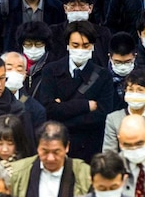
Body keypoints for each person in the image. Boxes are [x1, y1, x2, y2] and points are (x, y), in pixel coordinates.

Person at [37, 20, 114, 161]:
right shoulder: (51, 70)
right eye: (75, 45)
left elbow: (102, 114)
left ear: (92, 46)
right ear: (67, 45)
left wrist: (62, 111)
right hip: (58, 144)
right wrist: (85, 105)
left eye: (86, 46)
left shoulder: (103, 76)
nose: (80, 50)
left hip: (90, 146)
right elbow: (48, 109)